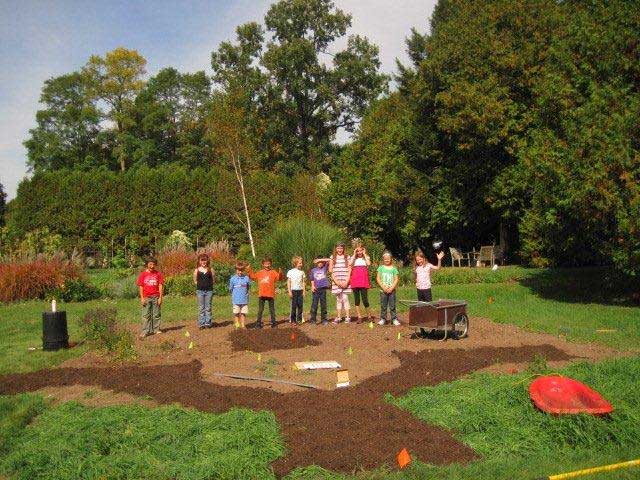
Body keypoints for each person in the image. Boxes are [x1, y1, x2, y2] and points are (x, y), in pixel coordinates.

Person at [247, 257, 282, 329]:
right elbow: (253, 277)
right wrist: (249, 270)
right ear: (262, 264)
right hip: (262, 294)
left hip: (270, 294)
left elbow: (279, 278)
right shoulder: (260, 272)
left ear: (271, 264)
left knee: (272, 309)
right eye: (266, 264)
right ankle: (258, 323)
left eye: (269, 264)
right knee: (260, 309)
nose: (267, 265)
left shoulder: (273, 272)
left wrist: (280, 273)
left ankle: (274, 323)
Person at [136, 257, 164, 338]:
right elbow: (141, 287)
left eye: (153, 264)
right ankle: (145, 331)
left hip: (156, 297)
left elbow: (160, 285)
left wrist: (160, 298)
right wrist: (142, 298)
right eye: (150, 264)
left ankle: (156, 329)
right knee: (146, 315)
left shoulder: (158, 274)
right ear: (147, 264)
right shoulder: (143, 275)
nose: (152, 266)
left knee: (156, 314)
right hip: (146, 298)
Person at [349, 243, 373, 323]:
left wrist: (365, 254)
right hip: (355, 280)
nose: (359, 252)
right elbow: (350, 263)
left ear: (363, 250)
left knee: (365, 299)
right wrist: (354, 253)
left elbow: (369, 263)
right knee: (357, 300)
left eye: (361, 250)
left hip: (363, 280)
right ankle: (359, 317)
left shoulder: (366, 257)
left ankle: (369, 316)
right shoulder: (354, 258)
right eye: (358, 251)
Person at [329, 242, 352, 323]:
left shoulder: (347, 257)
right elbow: (331, 271)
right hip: (337, 282)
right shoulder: (332, 257)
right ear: (336, 249)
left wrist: (347, 281)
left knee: (345, 298)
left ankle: (348, 317)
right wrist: (336, 282)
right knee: (339, 299)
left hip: (346, 281)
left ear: (344, 249)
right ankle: (338, 317)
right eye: (338, 248)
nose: (340, 250)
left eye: (341, 248)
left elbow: (350, 270)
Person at [376, 251, 400, 326]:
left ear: (391, 259)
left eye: (388, 259)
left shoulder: (394, 268)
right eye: (385, 259)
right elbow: (378, 278)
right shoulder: (380, 268)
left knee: (392, 306)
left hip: (392, 291)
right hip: (383, 291)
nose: (387, 260)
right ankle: (383, 319)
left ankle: (394, 319)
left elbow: (396, 279)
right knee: (383, 306)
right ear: (383, 259)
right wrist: (383, 287)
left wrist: (392, 288)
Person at [193, 253, 215, 329]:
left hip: (209, 291)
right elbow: (195, 280)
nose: (203, 262)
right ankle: (201, 323)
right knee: (201, 308)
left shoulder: (211, 270)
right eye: (202, 260)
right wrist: (199, 285)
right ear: (199, 261)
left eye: (205, 260)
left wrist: (209, 286)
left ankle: (208, 323)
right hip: (200, 291)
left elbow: (213, 280)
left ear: (207, 261)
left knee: (208, 307)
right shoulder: (197, 270)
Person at [228, 261, 252, 329]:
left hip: (244, 300)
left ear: (243, 270)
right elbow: (231, 289)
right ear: (236, 270)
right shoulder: (233, 279)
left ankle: (243, 325)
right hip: (236, 300)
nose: (240, 272)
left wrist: (246, 293)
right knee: (236, 313)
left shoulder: (246, 278)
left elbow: (248, 286)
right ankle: (237, 324)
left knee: (243, 313)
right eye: (238, 270)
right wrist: (234, 295)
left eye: (241, 270)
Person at [309, 258, 330, 325]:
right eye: (318, 262)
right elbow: (312, 279)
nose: (320, 263)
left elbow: (329, 260)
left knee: (323, 305)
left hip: (323, 289)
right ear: (316, 263)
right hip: (316, 290)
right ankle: (313, 320)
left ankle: (324, 320)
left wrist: (320, 259)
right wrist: (312, 286)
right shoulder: (313, 270)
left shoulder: (324, 268)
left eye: (321, 262)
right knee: (314, 305)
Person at [287, 256, 306, 324]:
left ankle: (299, 319)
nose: (301, 264)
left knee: (300, 306)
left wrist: (304, 291)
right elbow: (288, 282)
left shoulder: (302, 272)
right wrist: (289, 291)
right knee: (293, 306)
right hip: (293, 291)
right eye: (300, 263)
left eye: (301, 263)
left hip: (300, 291)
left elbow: (303, 282)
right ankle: (293, 320)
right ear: (295, 263)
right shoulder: (290, 272)